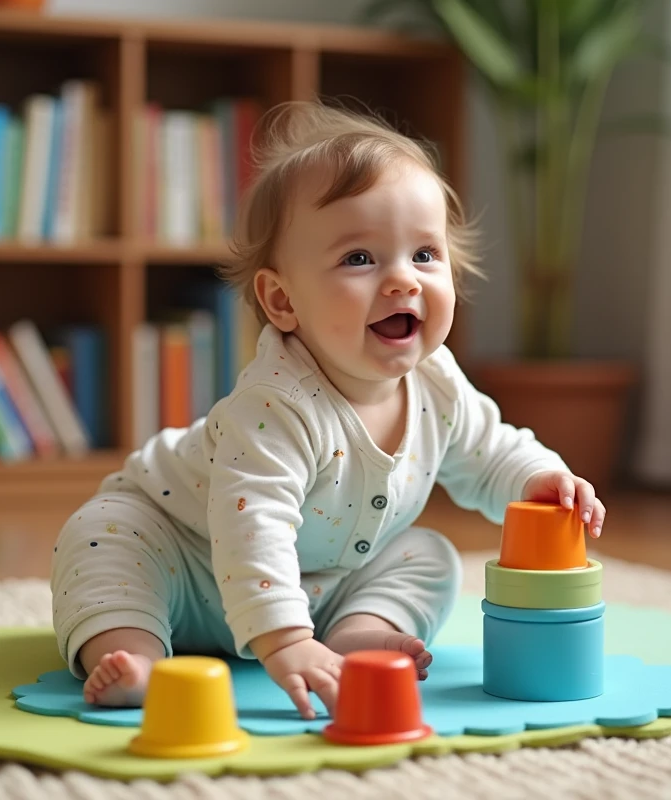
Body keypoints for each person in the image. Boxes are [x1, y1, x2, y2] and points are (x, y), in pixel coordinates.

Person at [50, 100, 606, 720]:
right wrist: (285, 641)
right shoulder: (279, 404)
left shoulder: (437, 383)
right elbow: (251, 524)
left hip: (322, 584)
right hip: (184, 555)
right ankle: (135, 656)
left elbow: (492, 451)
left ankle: (355, 635)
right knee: (103, 536)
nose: (404, 281)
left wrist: (540, 478)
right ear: (283, 300)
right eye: (359, 259)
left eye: (425, 254)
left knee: (429, 555)